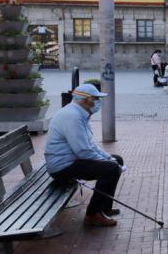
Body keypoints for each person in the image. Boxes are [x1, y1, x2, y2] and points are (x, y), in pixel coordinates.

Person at [45, 84, 124, 227]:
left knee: (116, 160)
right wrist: (110, 163)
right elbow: (83, 151)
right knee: (110, 169)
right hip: (62, 167)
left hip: (72, 160)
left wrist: (109, 158)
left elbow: (90, 145)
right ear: (84, 100)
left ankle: (104, 207)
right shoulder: (72, 116)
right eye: (95, 99)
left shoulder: (80, 114)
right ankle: (93, 214)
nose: (98, 102)